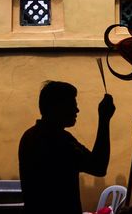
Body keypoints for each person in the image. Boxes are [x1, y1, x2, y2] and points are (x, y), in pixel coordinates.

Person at [18, 80, 115, 214]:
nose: (77, 110)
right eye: (72, 105)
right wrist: (104, 120)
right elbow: (98, 167)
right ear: (56, 107)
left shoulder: (29, 136)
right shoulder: (59, 141)